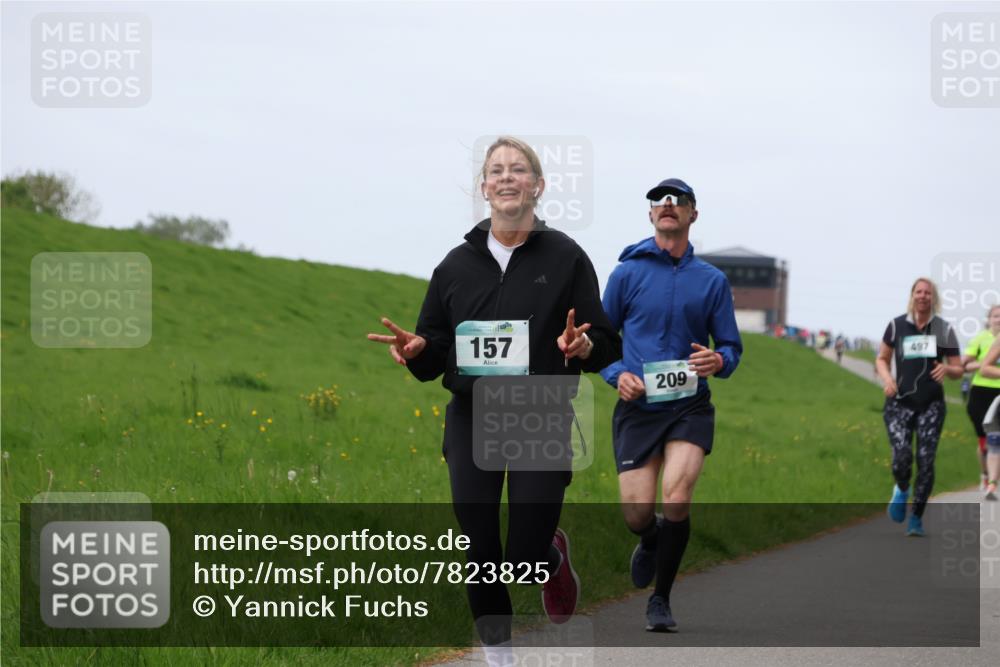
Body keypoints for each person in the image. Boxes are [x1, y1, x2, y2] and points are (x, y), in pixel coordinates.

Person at [367, 136, 621, 666]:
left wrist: (585, 343)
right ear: (483, 188)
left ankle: (550, 556)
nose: (507, 177)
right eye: (497, 170)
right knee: (480, 549)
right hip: (472, 415)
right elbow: (434, 352)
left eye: (519, 169)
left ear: (538, 186)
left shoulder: (567, 257)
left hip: (540, 414)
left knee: (521, 557)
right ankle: (498, 658)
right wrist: (416, 350)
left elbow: (604, 341)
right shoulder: (455, 266)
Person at [599, 178, 742, 632]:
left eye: (678, 201)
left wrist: (718, 359)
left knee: (677, 496)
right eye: (659, 200)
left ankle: (660, 599)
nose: (667, 206)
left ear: (692, 215)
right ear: (650, 214)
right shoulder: (626, 274)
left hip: (689, 406)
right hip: (639, 407)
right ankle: (649, 536)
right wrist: (615, 374)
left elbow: (732, 348)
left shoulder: (713, 281)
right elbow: (602, 341)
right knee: (636, 512)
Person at [876, 278, 963, 536]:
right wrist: (888, 379)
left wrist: (947, 368)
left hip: (931, 405)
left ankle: (916, 518)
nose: (923, 296)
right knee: (902, 458)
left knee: (926, 462)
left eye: (928, 292)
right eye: (919, 291)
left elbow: (958, 369)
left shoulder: (943, 329)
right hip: (899, 403)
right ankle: (902, 489)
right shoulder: (896, 325)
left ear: (933, 298)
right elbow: (882, 358)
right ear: (912, 295)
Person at [961, 305, 1000, 496]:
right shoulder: (981, 339)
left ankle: (993, 476)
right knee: (985, 440)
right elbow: (964, 365)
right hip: (981, 392)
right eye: (996, 316)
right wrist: (983, 363)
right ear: (989, 319)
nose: (999, 320)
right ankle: (986, 474)